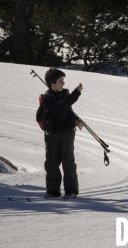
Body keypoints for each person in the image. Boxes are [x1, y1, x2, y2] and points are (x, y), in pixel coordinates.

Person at [42, 68, 84, 199]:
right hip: (52, 135)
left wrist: (75, 120)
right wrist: (76, 93)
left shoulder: (65, 93)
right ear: (52, 84)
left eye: (63, 80)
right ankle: (53, 190)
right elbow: (60, 106)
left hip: (67, 133)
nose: (63, 83)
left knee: (68, 162)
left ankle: (71, 191)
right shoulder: (47, 98)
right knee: (52, 163)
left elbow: (67, 110)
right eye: (61, 81)